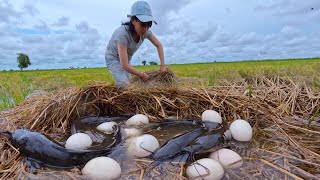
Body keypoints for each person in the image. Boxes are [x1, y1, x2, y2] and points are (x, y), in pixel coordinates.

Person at [105, 1, 166, 88]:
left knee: (131, 83)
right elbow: (124, 65)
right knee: (125, 86)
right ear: (133, 20)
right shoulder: (122, 34)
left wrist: (163, 65)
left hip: (126, 59)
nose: (145, 29)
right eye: (143, 24)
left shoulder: (146, 32)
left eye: (148, 25)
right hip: (113, 58)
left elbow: (159, 45)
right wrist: (142, 75)